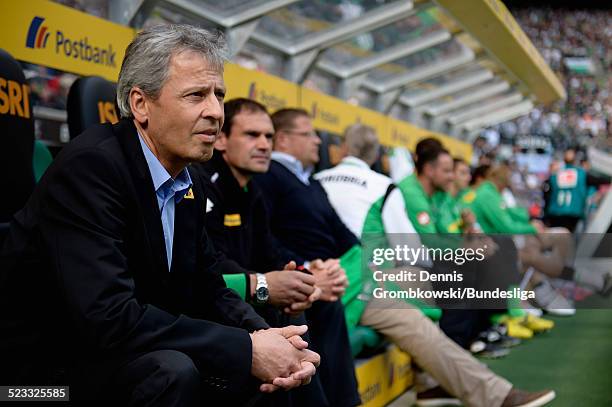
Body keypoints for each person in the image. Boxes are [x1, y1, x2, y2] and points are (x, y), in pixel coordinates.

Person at [0, 25, 319, 406]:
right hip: (39, 384)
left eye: (219, 95)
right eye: (196, 95)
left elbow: (209, 288)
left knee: (281, 360)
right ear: (140, 104)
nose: (215, 112)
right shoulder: (90, 169)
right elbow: (108, 318)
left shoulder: (189, 180)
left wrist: (268, 337)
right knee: (174, 370)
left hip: (114, 357)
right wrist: (247, 348)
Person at [316, 123, 556, 407]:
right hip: (357, 283)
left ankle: (438, 376)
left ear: (343, 147)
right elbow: (412, 248)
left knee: (466, 264)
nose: (454, 176)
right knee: (426, 278)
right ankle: (458, 378)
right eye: (448, 170)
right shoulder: (385, 187)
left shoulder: (316, 180)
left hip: (329, 276)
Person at [192, 98, 351, 406]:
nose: (264, 144)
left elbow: (272, 253)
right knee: (279, 315)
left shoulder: (253, 190)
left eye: (268, 136)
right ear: (222, 139)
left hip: (249, 293)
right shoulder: (202, 183)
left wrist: (304, 276)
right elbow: (214, 263)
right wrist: (268, 284)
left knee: (319, 302)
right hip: (217, 303)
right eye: (252, 135)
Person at [254, 109, 363, 407]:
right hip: (294, 274)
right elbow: (266, 241)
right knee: (319, 302)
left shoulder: (312, 182)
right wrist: (308, 271)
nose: (318, 141)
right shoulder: (269, 176)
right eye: (309, 134)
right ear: (285, 140)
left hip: (329, 274)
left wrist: (331, 269)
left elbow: (344, 236)